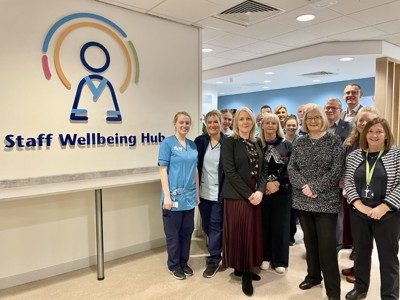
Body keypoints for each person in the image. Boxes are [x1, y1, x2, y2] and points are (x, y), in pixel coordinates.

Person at [288, 105, 344, 300]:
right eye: (309, 118)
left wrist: (315, 188)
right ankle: (313, 276)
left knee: (327, 247)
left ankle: (333, 291)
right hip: (303, 200)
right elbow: (291, 168)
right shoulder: (300, 142)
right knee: (310, 243)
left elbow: (336, 170)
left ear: (323, 120)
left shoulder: (334, 141)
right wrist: (305, 186)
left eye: (317, 118)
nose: (313, 121)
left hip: (326, 201)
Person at [344, 117, 400, 300]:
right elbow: (349, 183)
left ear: (386, 135)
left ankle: (390, 295)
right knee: (361, 252)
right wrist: (359, 206)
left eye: (379, 131)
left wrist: (384, 207)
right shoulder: (354, 156)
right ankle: (360, 288)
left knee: (388, 258)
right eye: (370, 131)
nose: (374, 135)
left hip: (388, 214)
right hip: (360, 213)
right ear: (364, 134)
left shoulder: (396, 154)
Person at [221, 107, 268, 296]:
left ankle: (245, 267)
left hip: (256, 192)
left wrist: (261, 191)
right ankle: (244, 271)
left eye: (248, 118)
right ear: (236, 122)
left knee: (252, 232)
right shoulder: (230, 142)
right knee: (242, 231)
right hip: (238, 194)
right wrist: (249, 194)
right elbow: (229, 171)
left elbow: (263, 169)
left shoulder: (256, 142)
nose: (245, 122)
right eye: (241, 119)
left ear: (253, 122)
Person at [158, 111, 199, 280]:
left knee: (187, 231)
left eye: (187, 123)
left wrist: (197, 192)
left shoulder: (193, 145)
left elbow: (195, 169)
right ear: (175, 123)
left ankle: (183, 262)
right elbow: (162, 170)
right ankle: (173, 265)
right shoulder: (167, 143)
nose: (184, 125)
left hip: (189, 196)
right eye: (181, 122)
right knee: (173, 233)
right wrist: (166, 196)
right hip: (173, 197)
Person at [340, 106, 379, 284]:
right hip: (350, 194)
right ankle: (357, 267)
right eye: (361, 120)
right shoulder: (350, 142)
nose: (363, 123)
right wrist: (345, 187)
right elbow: (343, 167)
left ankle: (361, 272)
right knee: (355, 235)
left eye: (367, 120)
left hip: (370, 197)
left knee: (364, 238)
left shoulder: (379, 143)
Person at [259, 113, 292, 274]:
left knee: (281, 226)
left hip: (282, 191)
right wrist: (265, 185)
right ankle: (265, 257)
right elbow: (254, 168)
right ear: (262, 126)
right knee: (263, 225)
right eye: (267, 123)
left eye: (274, 123)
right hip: (262, 191)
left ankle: (279, 260)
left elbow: (291, 168)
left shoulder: (287, 145)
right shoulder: (258, 145)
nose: (270, 126)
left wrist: (277, 183)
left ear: (278, 126)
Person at [194, 110, 226, 278]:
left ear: (221, 123)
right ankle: (215, 248)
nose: (213, 125)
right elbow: (194, 166)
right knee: (206, 225)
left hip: (219, 193)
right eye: (210, 122)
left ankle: (214, 259)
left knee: (215, 224)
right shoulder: (200, 141)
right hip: (203, 192)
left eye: (216, 121)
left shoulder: (228, 143)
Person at [283, 114, 300, 245]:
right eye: (289, 125)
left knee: (293, 211)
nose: (291, 127)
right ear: (284, 126)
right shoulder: (281, 141)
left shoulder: (300, 141)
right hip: (283, 179)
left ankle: (291, 236)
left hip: (297, 181)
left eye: (294, 125)